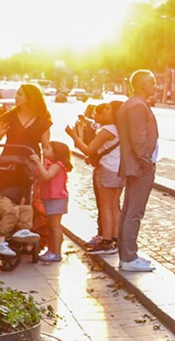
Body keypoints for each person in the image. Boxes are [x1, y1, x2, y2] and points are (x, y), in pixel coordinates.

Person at [117, 70, 161, 272]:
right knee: (134, 212)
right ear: (142, 84)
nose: (156, 85)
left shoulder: (131, 104)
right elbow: (138, 139)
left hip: (135, 164)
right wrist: (146, 162)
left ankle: (127, 254)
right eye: (152, 82)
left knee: (129, 210)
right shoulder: (137, 106)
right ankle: (129, 257)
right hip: (139, 166)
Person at [71, 101, 122, 256]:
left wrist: (73, 135)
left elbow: (88, 149)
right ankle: (116, 239)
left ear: (113, 113)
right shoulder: (121, 129)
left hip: (106, 169)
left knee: (105, 206)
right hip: (119, 169)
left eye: (108, 108)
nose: (105, 109)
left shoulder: (106, 130)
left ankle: (106, 241)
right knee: (114, 205)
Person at [0, 83, 51, 202]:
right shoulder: (9, 117)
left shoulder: (42, 121)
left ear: (30, 98)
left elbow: (46, 147)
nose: (16, 97)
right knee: (4, 194)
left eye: (20, 94)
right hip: (8, 163)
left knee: (27, 196)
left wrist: (46, 168)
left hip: (30, 164)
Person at [33, 142, 71, 263]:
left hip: (57, 198)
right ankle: (51, 249)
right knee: (51, 225)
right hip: (49, 198)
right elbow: (38, 175)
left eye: (48, 148)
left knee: (55, 226)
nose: (44, 150)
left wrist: (39, 163)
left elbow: (47, 176)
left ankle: (56, 252)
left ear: (56, 152)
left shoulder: (58, 165)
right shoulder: (50, 164)